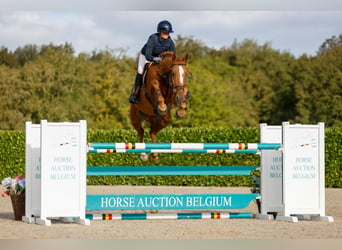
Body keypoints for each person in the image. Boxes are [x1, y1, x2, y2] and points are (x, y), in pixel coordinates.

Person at [129, 20, 176, 104]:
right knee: (140, 71)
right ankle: (135, 94)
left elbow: (173, 56)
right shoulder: (152, 39)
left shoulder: (170, 42)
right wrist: (154, 59)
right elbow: (148, 55)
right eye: (165, 32)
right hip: (146, 56)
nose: (167, 34)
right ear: (159, 31)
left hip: (160, 59)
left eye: (168, 32)